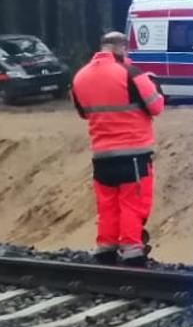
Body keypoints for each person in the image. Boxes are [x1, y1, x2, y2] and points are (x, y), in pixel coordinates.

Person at [71, 31, 165, 267]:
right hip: (133, 153)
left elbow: (83, 112)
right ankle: (133, 250)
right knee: (133, 204)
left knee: (108, 205)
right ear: (122, 48)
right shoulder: (131, 73)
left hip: (101, 154)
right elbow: (156, 106)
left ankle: (106, 248)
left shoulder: (80, 77)